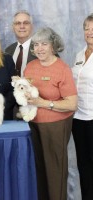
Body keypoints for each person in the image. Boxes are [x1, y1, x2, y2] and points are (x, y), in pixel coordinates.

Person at [23, 27, 77, 200]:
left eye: (44, 44)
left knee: (55, 171)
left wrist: (44, 103)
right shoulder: (30, 66)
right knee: (38, 170)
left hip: (56, 126)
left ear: (53, 46)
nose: (39, 48)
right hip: (32, 125)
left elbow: (72, 103)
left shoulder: (62, 69)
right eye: (36, 44)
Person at [71, 13, 93, 200]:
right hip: (78, 119)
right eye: (87, 28)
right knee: (84, 166)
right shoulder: (79, 54)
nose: (90, 32)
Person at [5, 10, 36, 77]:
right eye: (18, 23)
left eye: (26, 23)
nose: (22, 26)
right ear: (13, 27)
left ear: (32, 26)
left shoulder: (41, 49)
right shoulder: (8, 50)